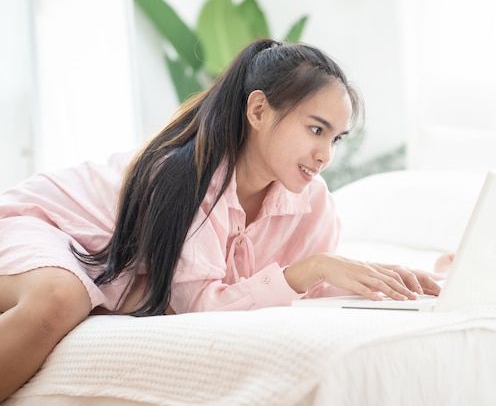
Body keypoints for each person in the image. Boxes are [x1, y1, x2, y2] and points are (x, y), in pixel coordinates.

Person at [0, 39, 440, 401]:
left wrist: (428, 277)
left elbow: (315, 287)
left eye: (336, 138)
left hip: (111, 260)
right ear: (259, 111)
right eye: (315, 129)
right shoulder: (189, 177)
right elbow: (205, 304)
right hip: (45, 224)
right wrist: (311, 268)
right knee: (61, 299)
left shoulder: (311, 200)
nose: (326, 155)